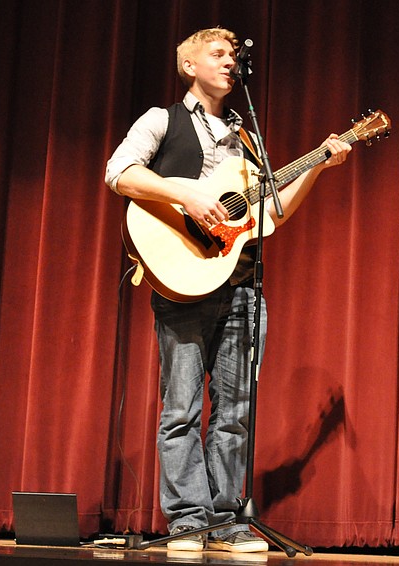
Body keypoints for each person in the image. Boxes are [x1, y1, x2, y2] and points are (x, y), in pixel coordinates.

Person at [104, 27, 351, 553]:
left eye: (233, 56)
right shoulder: (161, 119)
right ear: (189, 65)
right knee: (182, 410)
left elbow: (270, 212)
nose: (229, 62)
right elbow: (119, 174)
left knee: (235, 413)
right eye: (217, 54)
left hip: (241, 284)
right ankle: (191, 522)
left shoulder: (246, 137)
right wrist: (185, 194)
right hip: (183, 279)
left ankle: (227, 522)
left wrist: (320, 165)